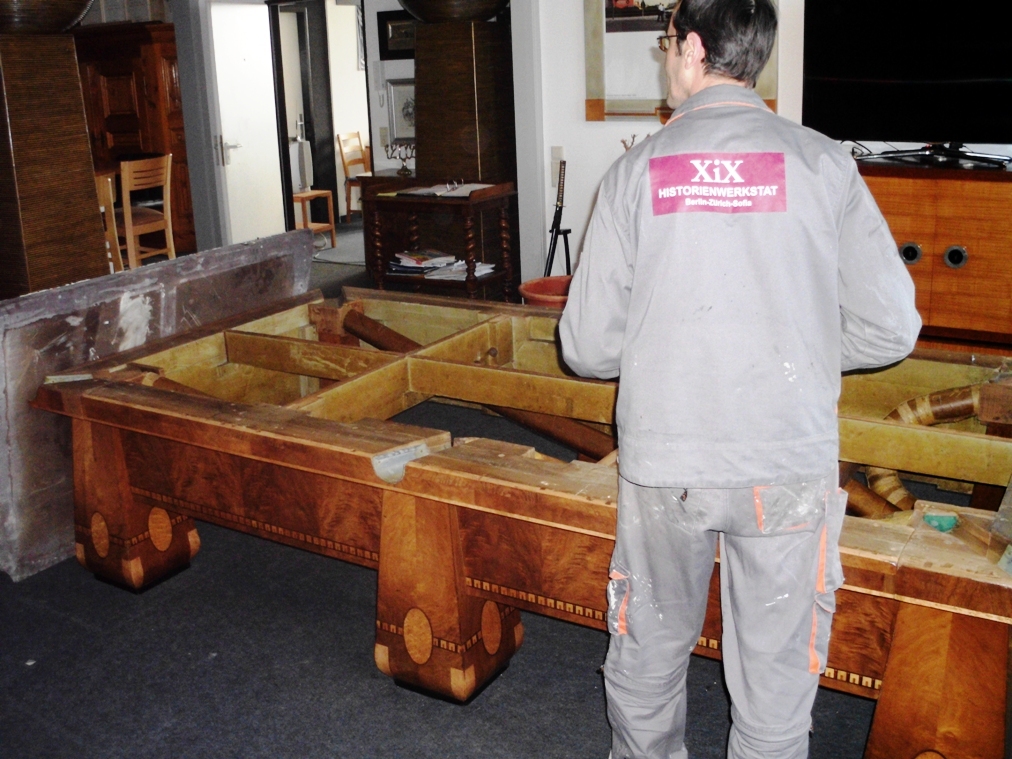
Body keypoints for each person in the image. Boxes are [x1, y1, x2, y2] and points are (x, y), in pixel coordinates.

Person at [557, 1, 921, 757]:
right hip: (786, 462)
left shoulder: (633, 174)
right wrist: (799, 349)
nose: (665, 60)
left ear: (693, 49)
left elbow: (586, 347)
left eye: (666, 45)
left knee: (650, 659)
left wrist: (669, 350)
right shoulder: (825, 164)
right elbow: (892, 326)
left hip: (666, 467)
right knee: (776, 689)